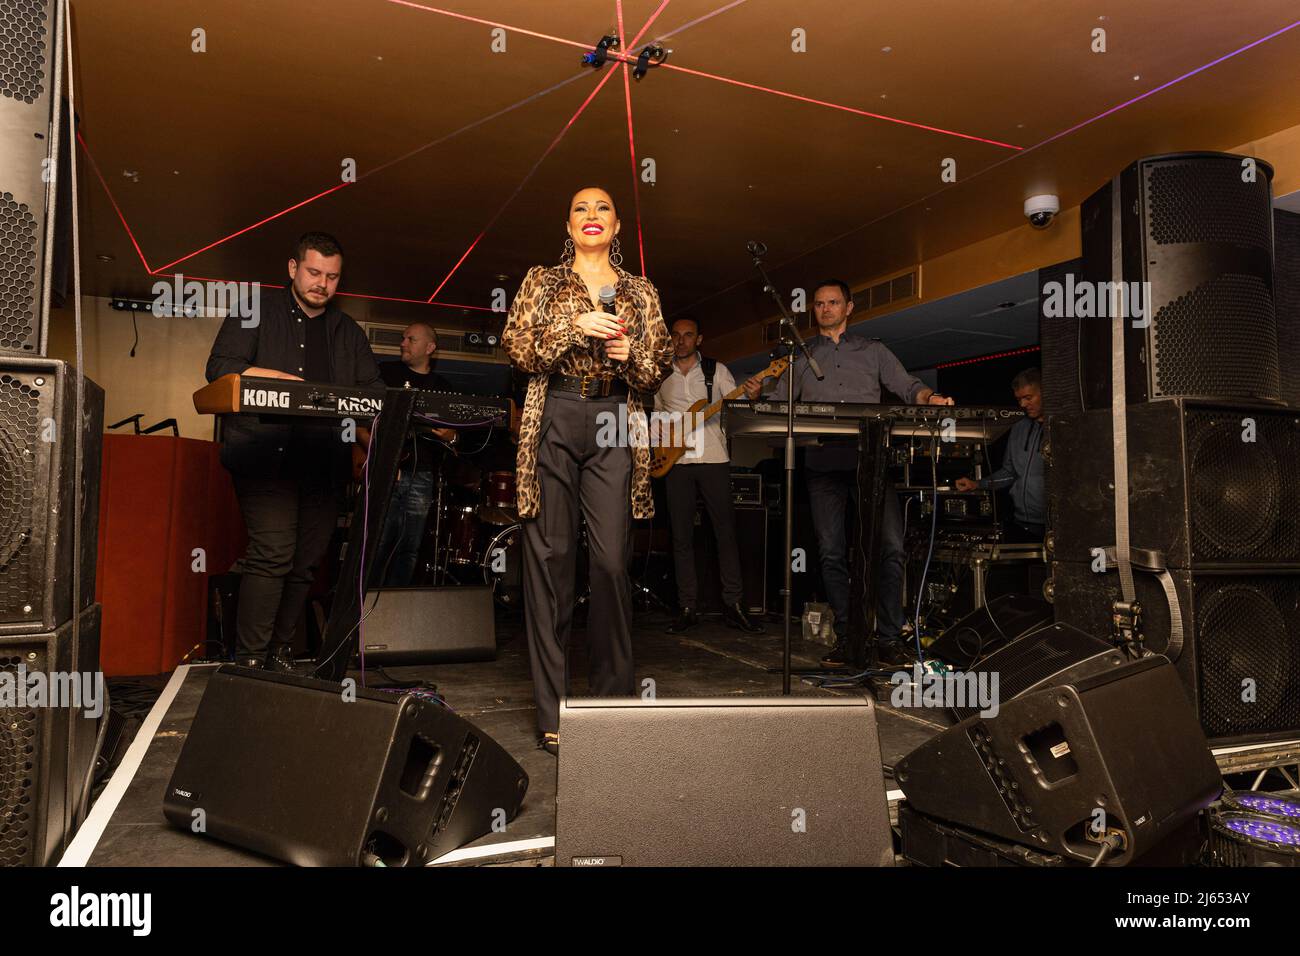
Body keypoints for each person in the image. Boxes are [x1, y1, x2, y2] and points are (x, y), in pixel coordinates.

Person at [502, 186, 672, 755]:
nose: (592, 216)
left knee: (609, 561)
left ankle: (611, 707)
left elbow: (657, 369)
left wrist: (634, 358)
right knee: (550, 564)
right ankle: (554, 715)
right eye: (580, 208)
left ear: (617, 225)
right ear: (568, 224)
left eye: (602, 208)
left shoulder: (641, 292)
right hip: (553, 411)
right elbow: (519, 351)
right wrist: (574, 327)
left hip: (613, 416)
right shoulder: (542, 282)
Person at [744, 279, 953, 668]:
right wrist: (758, 396)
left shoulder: (872, 350)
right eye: (819, 303)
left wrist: (931, 398)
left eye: (833, 302)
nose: (825, 308)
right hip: (822, 466)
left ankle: (889, 638)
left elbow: (908, 387)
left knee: (890, 548)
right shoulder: (799, 357)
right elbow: (776, 405)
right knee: (831, 552)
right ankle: (847, 636)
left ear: (849, 307)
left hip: (870, 464)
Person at [205, 231, 382, 669]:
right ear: (292, 268)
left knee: (306, 562)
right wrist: (279, 379)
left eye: (332, 277)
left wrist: (368, 438)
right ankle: (249, 660)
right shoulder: (255, 311)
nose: (322, 283)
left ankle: (280, 652)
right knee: (273, 553)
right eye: (314, 272)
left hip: (323, 462)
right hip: (265, 458)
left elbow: (373, 393)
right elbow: (220, 368)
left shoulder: (348, 332)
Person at [654, 316, 763, 634]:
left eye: (688, 335)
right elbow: (659, 417)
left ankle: (734, 604)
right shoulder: (661, 375)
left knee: (725, 533)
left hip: (714, 459)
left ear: (699, 339)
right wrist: (660, 445)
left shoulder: (717, 371)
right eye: (675, 335)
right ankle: (687, 607)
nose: (681, 340)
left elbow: (740, 405)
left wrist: (753, 395)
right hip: (677, 464)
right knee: (681, 537)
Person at [373, 322, 458, 586]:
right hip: (388, 471)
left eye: (411, 339)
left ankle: (397, 605)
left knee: (409, 547)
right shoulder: (384, 373)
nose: (403, 343)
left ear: (429, 348)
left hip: (421, 475)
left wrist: (451, 436)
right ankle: (365, 604)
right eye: (403, 338)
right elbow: (364, 420)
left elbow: (456, 435)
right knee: (378, 543)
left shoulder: (442, 386)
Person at [956, 367, 1045, 542]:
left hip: (1054, 526)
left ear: (1047, 391)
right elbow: (1009, 473)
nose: (1023, 405)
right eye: (1019, 399)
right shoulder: (1019, 427)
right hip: (1022, 524)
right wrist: (978, 484)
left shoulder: (1062, 427)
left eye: (1028, 398)